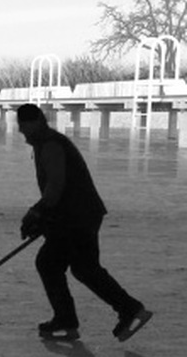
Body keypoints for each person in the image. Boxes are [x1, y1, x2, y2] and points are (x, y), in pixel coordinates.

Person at [16, 103, 152, 342]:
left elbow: (56, 186)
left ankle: (72, 319)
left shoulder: (50, 145)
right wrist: (44, 216)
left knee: (50, 263)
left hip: (76, 217)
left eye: (27, 127)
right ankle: (126, 310)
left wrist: (37, 213)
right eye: (21, 128)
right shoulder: (47, 142)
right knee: (82, 268)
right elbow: (56, 189)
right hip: (79, 215)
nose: (24, 133)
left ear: (38, 122)